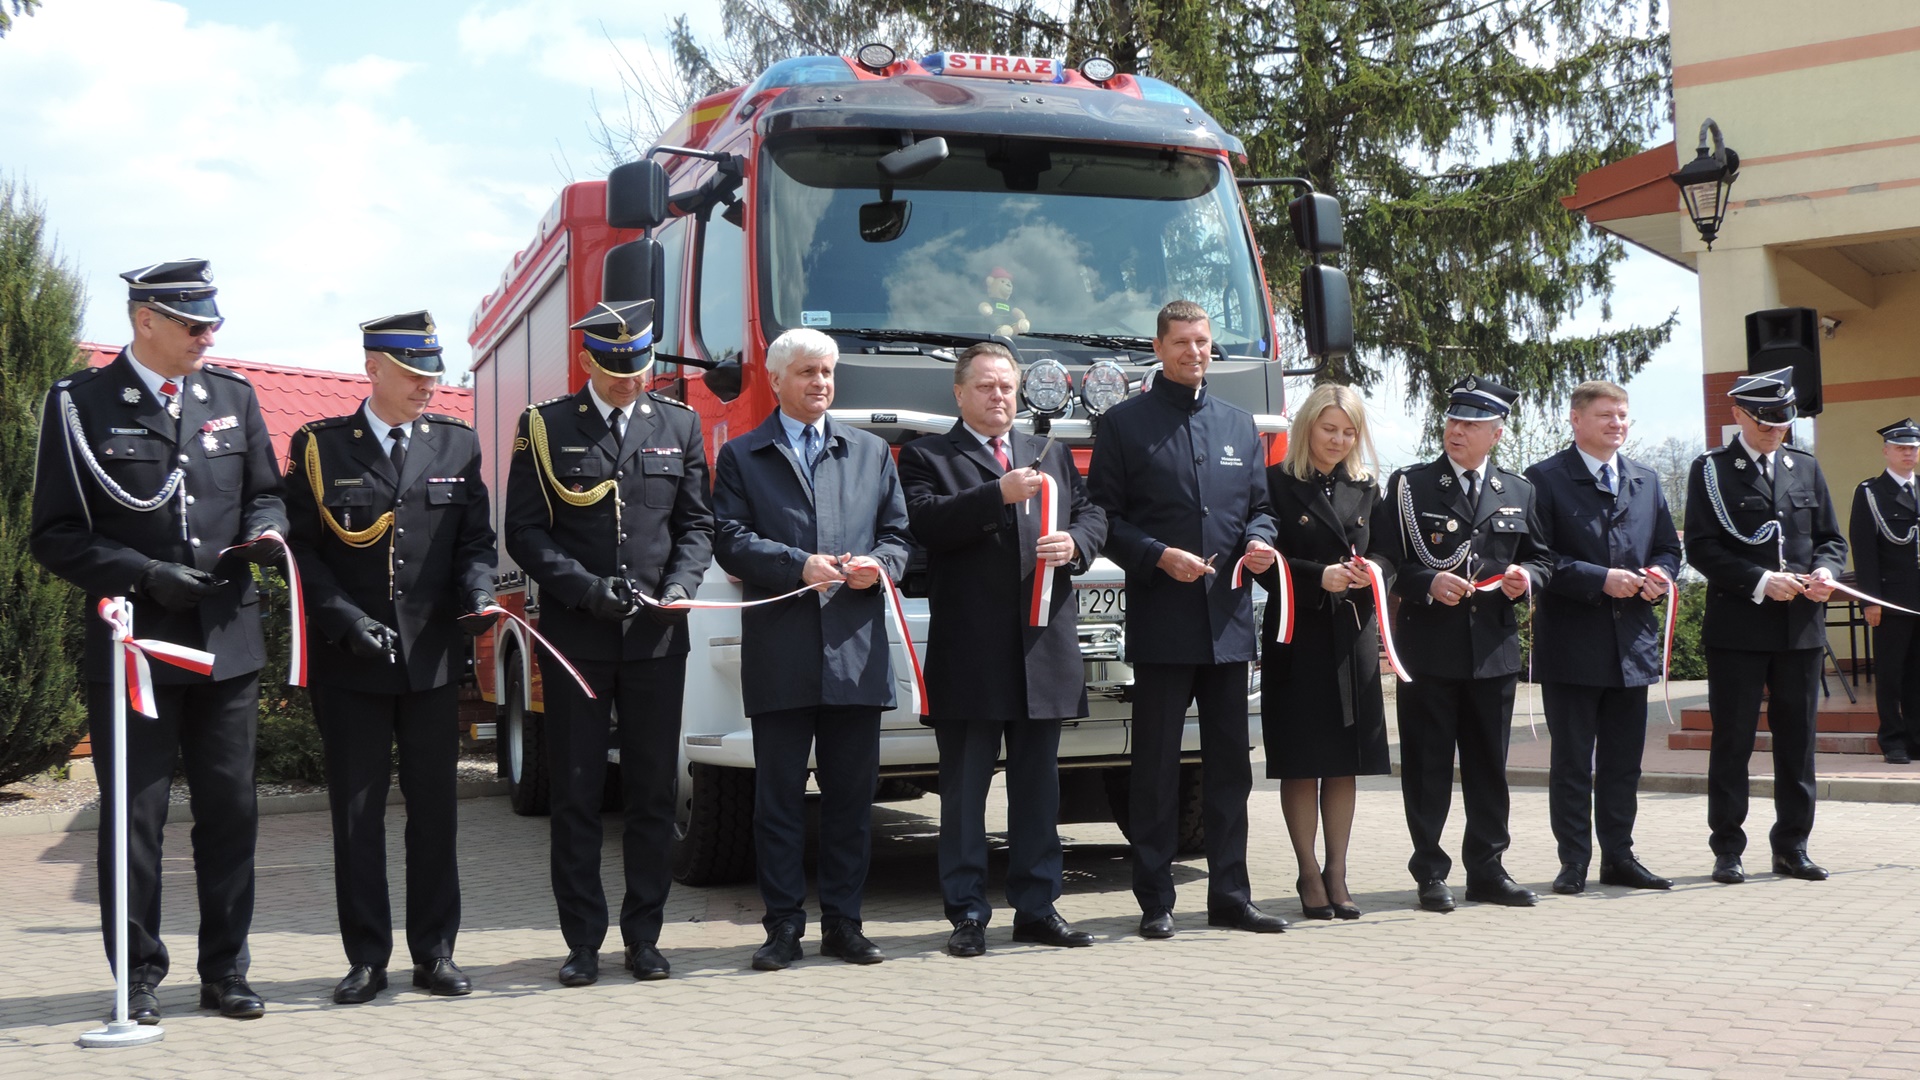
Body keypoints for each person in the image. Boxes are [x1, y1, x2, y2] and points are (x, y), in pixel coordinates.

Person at [30, 260, 287, 1021]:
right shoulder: (80, 404)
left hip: (226, 643)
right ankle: (137, 977)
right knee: (135, 819)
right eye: (194, 324)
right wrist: (143, 574)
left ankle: (226, 972)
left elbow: (266, 491)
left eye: (214, 323)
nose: (209, 336)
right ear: (145, 320)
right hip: (134, 648)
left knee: (231, 814)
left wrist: (265, 531)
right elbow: (55, 535)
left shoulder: (232, 396)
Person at [285, 311, 497, 1004]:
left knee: (435, 811)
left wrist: (475, 596)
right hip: (352, 664)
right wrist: (342, 618)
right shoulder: (320, 448)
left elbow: (474, 544)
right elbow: (303, 551)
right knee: (358, 813)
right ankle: (367, 958)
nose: (427, 387)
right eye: (413, 374)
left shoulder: (457, 445)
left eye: (434, 375)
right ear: (372, 367)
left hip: (431, 659)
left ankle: (435, 952)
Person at [503, 299, 714, 986]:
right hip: (578, 639)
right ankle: (583, 943)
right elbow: (527, 532)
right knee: (577, 793)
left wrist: (682, 584)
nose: (630, 379)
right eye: (616, 367)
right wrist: (585, 589)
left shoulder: (679, 426)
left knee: (652, 794)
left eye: (639, 367)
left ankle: (645, 938)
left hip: (656, 638)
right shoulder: (545, 427)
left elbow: (697, 525)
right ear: (589, 359)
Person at [897, 343, 1109, 956]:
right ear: (959, 394)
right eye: (986, 387)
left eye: (1007, 387)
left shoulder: (1050, 453)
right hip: (971, 651)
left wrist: (1078, 544)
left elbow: (1093, 512)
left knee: (1039, 787)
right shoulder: (927, 455)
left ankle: (1038, 907)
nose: (998, 397)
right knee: (964, 791)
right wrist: (999, 496)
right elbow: (926, 524)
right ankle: (967, 914)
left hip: (1042, 647)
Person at [712, 327, 912, 971]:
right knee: (777, 802)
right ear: (775, 380)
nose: (821, 383)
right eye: (806, 373)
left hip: (855, 652)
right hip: (783, 650)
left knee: (853, 801)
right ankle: (782, 928)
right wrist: (797, 564)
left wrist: (878, 566)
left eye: (827, 372)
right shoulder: (743, 456)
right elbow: (730, 540)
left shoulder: (871, 452)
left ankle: (845, 926)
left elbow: (900, 537)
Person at [1086, 299, 1285, 939]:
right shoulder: (1124, 424)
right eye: (1181, 343)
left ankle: (1231, 894)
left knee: (1229, 768)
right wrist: (1156, 556)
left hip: (1228, 625)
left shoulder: (1237, 425)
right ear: (1159, 347)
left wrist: (1259, 540)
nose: (1194, 352)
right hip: (1164, 622)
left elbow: (1263, 508)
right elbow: (1105, 519)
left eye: (1202, 342)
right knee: (1156, 767)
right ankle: (1155, 901)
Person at [1374, 375, 1553, 913]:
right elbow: (1386, 561)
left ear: (1495, 433)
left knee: (1488, 769)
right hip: (1429, 652)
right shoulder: (1411, 486)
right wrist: (1426, 583)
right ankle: (1429, 870)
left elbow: (1543, 557)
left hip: (1493, 653)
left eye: (1472, 424)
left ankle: (1488, 869)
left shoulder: (1517, 490)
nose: (1457, 431)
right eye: (1454, 420)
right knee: (1428, 769)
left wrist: (1527, 577)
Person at [1683, 368, 1846, 884]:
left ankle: (1792, 847)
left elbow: (1830, 539)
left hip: (1799, 628)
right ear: (1738, 415)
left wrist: (1827, 571)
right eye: (1764, 422)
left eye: (1783, 422)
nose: (1775, 431)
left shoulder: (1805, 467)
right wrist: (1758, 580)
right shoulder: (1710, 469)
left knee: (1797, 741)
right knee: (1733, 739)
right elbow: (1703, 547)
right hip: (1738, 627)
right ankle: (1728, 848)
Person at [1523, 381, 1682, 895]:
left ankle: (1620, 856)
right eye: (1606, 416)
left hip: (1632, 645)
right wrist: (1600, 578)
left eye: (1623, 416)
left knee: (1622, 763)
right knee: (1572, 762)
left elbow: (1668, 547)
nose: (1617, 424)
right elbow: (1539, 558)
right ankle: (1573, 862)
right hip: (1572, 645)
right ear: (1575, 419)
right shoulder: (1544, 479)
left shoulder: (1645, 479)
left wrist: (1660, 573)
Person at [1252, 383, 1390, 921]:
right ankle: (1307, 871)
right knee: (1301, 763)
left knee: (1342, 764)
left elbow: (1386, 552)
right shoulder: (1275, 485)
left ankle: (1338, 872)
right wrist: (1319, 577)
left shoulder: (1367, 487)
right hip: (1296, 633)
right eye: (1329, 428)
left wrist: (1370, 571)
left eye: (1349, 430)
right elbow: (1265, 565)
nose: (1338, 439)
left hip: (1350, 634)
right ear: (1308, 426)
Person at [1849, 418, 1920, 765]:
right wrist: (1869, 600)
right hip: (1891, 600)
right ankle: (1892, 739)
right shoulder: (1871, 492)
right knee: (1891, 673)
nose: (1909, 453)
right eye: (1901, 447)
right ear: (1886, 451)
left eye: (1913, 447)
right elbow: (1864, 550)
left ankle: (1917, 738)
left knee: (1918, 673)